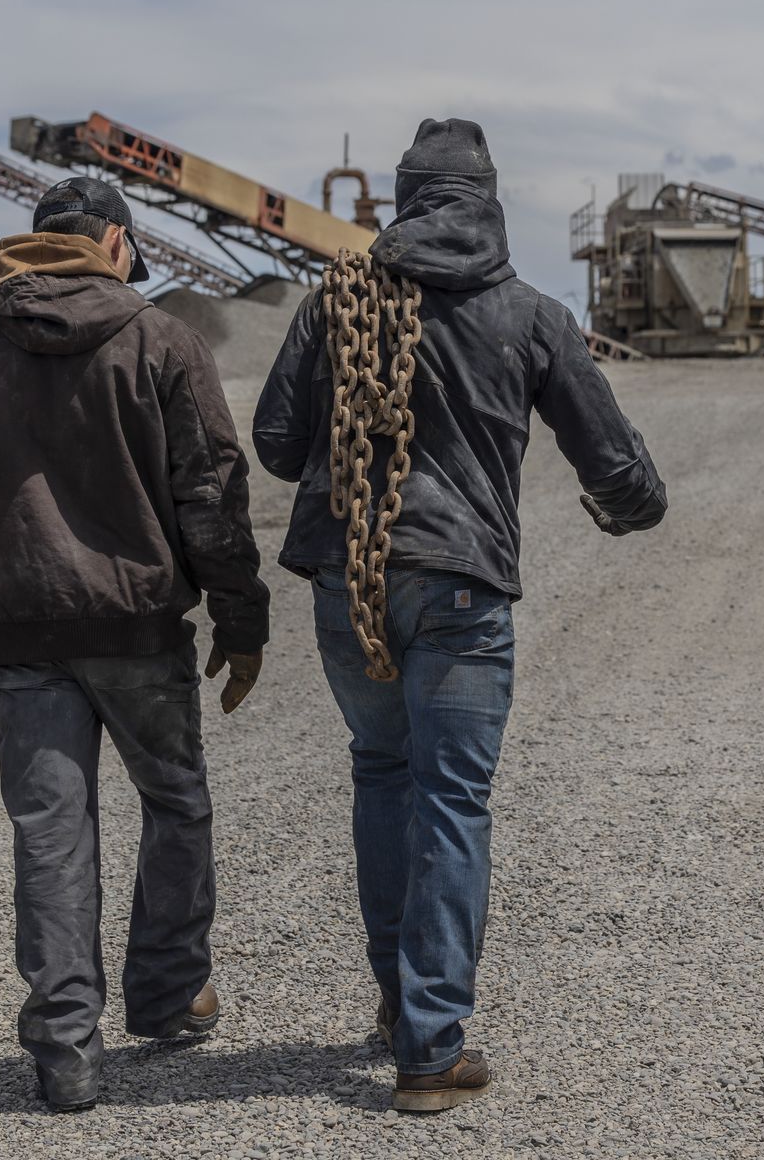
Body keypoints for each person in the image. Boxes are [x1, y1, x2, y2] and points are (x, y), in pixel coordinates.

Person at [254, 118, 668, 1112]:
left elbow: (275, 441)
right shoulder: (528, 314)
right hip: (462, 590)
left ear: (403, 202)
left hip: (347, 583)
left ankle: (404, 1007)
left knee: (384, 772)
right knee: (449, 797)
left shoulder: (337, 301)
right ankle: (430, 1048)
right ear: (487, 202)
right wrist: (632, 504)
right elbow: (616, 465)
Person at [0, 177, 269, 1113]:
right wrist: (240, 618)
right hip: (139, 627)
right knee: (176, 804)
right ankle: (165, 993)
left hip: (19, 637)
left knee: (50, 835)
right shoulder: (160, 340)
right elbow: (211, 495)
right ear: (116, 241)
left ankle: (65, 1052)